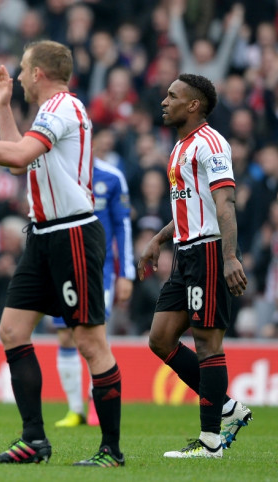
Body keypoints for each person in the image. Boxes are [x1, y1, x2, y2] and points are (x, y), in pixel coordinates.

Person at [0, 40, 124, 467]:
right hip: (42, 235)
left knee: (90, 343)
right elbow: (20, 164)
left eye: (21, 69)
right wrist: (2, 107)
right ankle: (33, 440)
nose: (16, 76)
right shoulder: (48, 114)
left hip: (72, 233)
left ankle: (111, 449)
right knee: (13, 331)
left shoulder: (64, 108)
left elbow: (18, 155)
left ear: (38, 73)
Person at [137, 73, 251, 458]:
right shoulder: (180, 147)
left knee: (206, 343)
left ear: (194, 105)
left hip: (208, 251)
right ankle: (227, 406)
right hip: (184, 253)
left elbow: (224, 205)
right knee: (160, 339)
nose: (164, 101)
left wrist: (230, 256)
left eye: (173, 96)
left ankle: (211, 442)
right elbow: (191, 205)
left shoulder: (211, 143)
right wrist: (158, 239)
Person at [52, 159, 135, 428]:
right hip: (63, 264)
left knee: (94, 335)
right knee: (65, 334)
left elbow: (123, 225)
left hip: (100, 269)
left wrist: (126, 273)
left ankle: (96, 405)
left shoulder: (111, 177)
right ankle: (75, 409)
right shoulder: (59, 168)